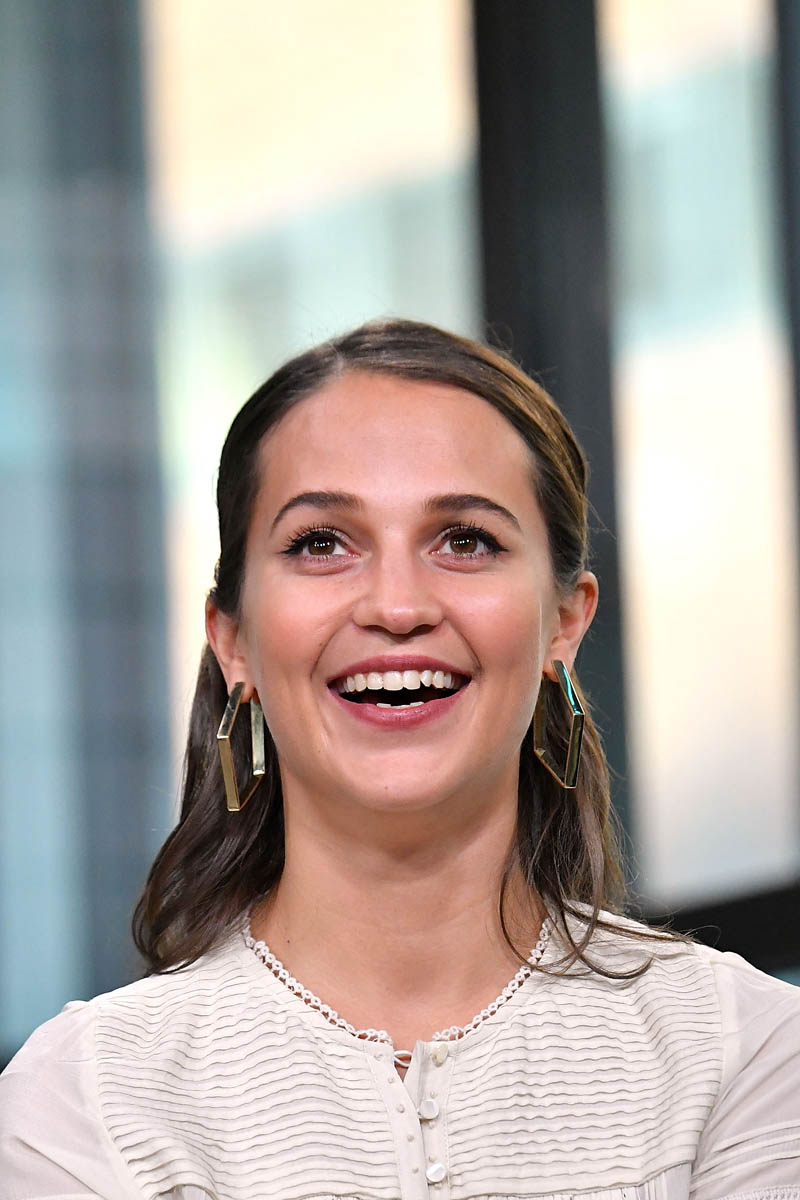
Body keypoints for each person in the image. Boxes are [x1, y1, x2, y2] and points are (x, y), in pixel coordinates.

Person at [1, 318, 799, 1200]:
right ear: (233, 640)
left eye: (465, 540)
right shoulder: (85, 1100)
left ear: (564, 622)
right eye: (321, 543)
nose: (396, 605)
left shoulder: (747, 1054)